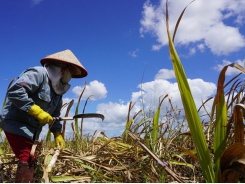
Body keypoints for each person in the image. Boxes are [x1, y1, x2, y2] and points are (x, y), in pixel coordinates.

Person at [1, 49, 88, 183]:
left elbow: (55, 115)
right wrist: (36, 110)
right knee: (27, 157)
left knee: (32, 156)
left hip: (32, 130)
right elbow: (16, 91)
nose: (71, 77)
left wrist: (57, 133)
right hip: (16, 123)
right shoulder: (38, 74)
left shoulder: (58, 89)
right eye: (71, 72)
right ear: (64, 69)